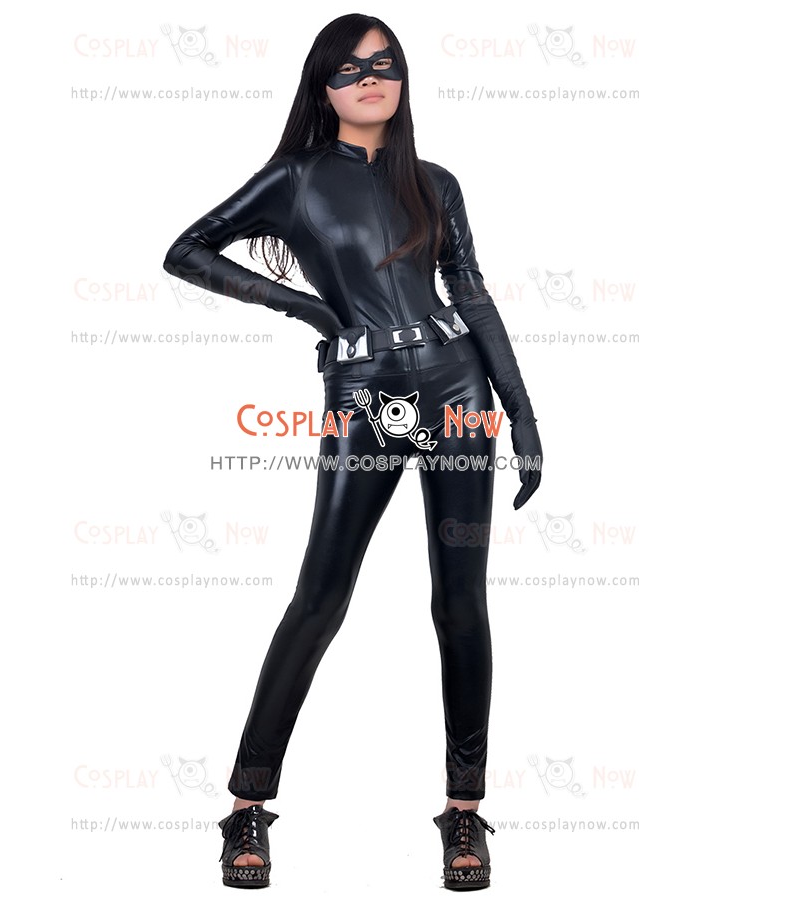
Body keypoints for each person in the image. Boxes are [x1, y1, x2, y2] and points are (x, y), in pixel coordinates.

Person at [162, 13, 542, 891]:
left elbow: (472, 295)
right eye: (348, 69)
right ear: (323, 86)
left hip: (457, 389)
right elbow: (184, 251)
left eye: (383, 63)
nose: (369, 78)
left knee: (461, 603)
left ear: (402, 78)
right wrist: (304, 307)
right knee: (319, 598)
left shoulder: (436, 183)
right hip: (361, 395)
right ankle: (247, 805)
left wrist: (520, 413)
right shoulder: (294, 178)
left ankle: (463, 812)